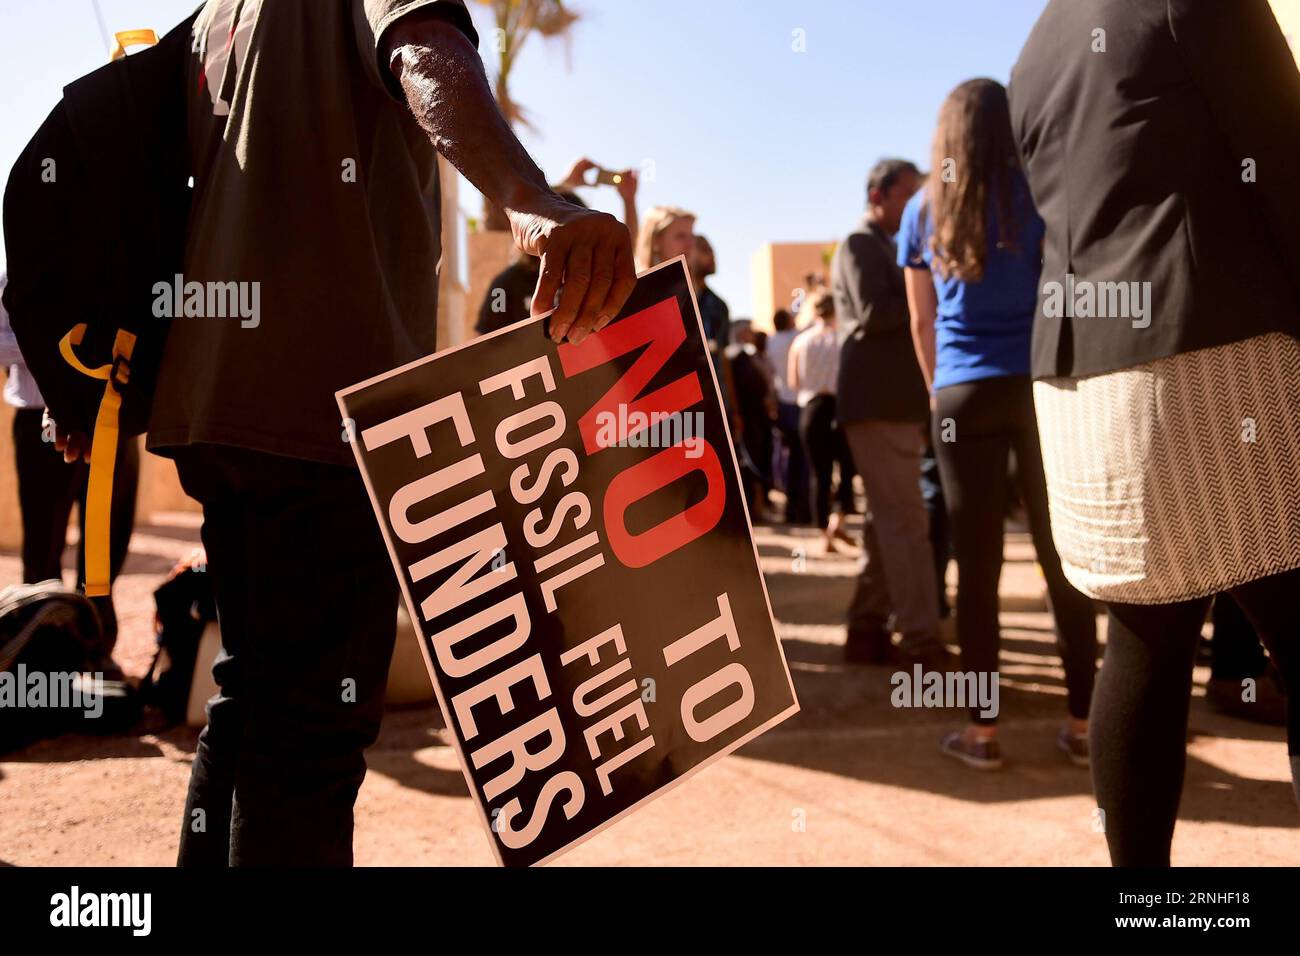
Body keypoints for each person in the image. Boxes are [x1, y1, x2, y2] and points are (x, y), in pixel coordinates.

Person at [70, 0, 635, 867]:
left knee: (254, 700)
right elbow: (424, 45)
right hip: (321, 404)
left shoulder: (226, 13)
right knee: (311, 736)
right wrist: (527, 196)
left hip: (215, 403)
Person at [1011, 0, 1300, 864]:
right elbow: (1283, 159)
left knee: (1142, 643)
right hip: (1211, 355)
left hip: (1080, 377)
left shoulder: (1036, 46)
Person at [901, 79, 1098, 771]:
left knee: (977, 569)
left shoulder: (923, 208)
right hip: (1039, 385)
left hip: (961, 392)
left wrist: (939, 394)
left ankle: (982, 734)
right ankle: (1083, 724)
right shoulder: (1041, 193)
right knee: (1063, 557)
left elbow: (922, 322)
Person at [832, 159, 951, 671]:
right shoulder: (861, 243)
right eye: (909, 194)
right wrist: (928, 287)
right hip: (877, 405)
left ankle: (866, 629)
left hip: (891, 405)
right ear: (879, 196)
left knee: (888, 522)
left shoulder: (882, 243)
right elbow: (873, 314)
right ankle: (922, 641)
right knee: (907, 522)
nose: (919, 204)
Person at [1, 271, 137, 645]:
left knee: (109, 537)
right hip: (40, 422)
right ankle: (43, 651)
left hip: (113, 419)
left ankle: (96, 645)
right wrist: (58, 349)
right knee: (44, 545)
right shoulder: (11, 280)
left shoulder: (111, 268)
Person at [475, 157, 638, 336]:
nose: (568, 237)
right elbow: (487, 348)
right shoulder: (508, 284)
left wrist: (628, 201)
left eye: (579, 233)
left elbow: (624, 253)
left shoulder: (595, 275)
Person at [787, 289, 856, 555]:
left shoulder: (801, 342)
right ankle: (837, 519)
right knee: (847, 470)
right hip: (839, 409)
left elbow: (794, 382)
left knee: (820, 475)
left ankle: (823, 532)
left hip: (811, 409)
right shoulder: (843, 339)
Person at [767, 308, 810, 524]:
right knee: (804, 459)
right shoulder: (797, 338)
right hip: (799, 402)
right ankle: (804, 509)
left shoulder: (771, 342)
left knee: (790, 457)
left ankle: (791, 508)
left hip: (783, 403)